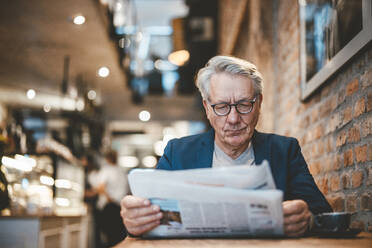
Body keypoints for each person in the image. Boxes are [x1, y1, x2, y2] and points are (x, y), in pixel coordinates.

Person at [120, 55, 332, 238]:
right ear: (207, 108)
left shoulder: (284, 150)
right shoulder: (178, 153)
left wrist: (308, 220)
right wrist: (136, 222)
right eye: (221, 106)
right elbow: (150, 216)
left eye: (244, 105)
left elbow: (323, 215)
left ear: (258, 103)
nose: (233, 118)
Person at [95, 150, 128, 247]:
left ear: (107, 158)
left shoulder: (106, 170)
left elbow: (100, 188)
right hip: (120, 207)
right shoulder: (122, 171)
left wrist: (109, 198)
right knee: (118, 236)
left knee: (108, 236)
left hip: (109, 206)